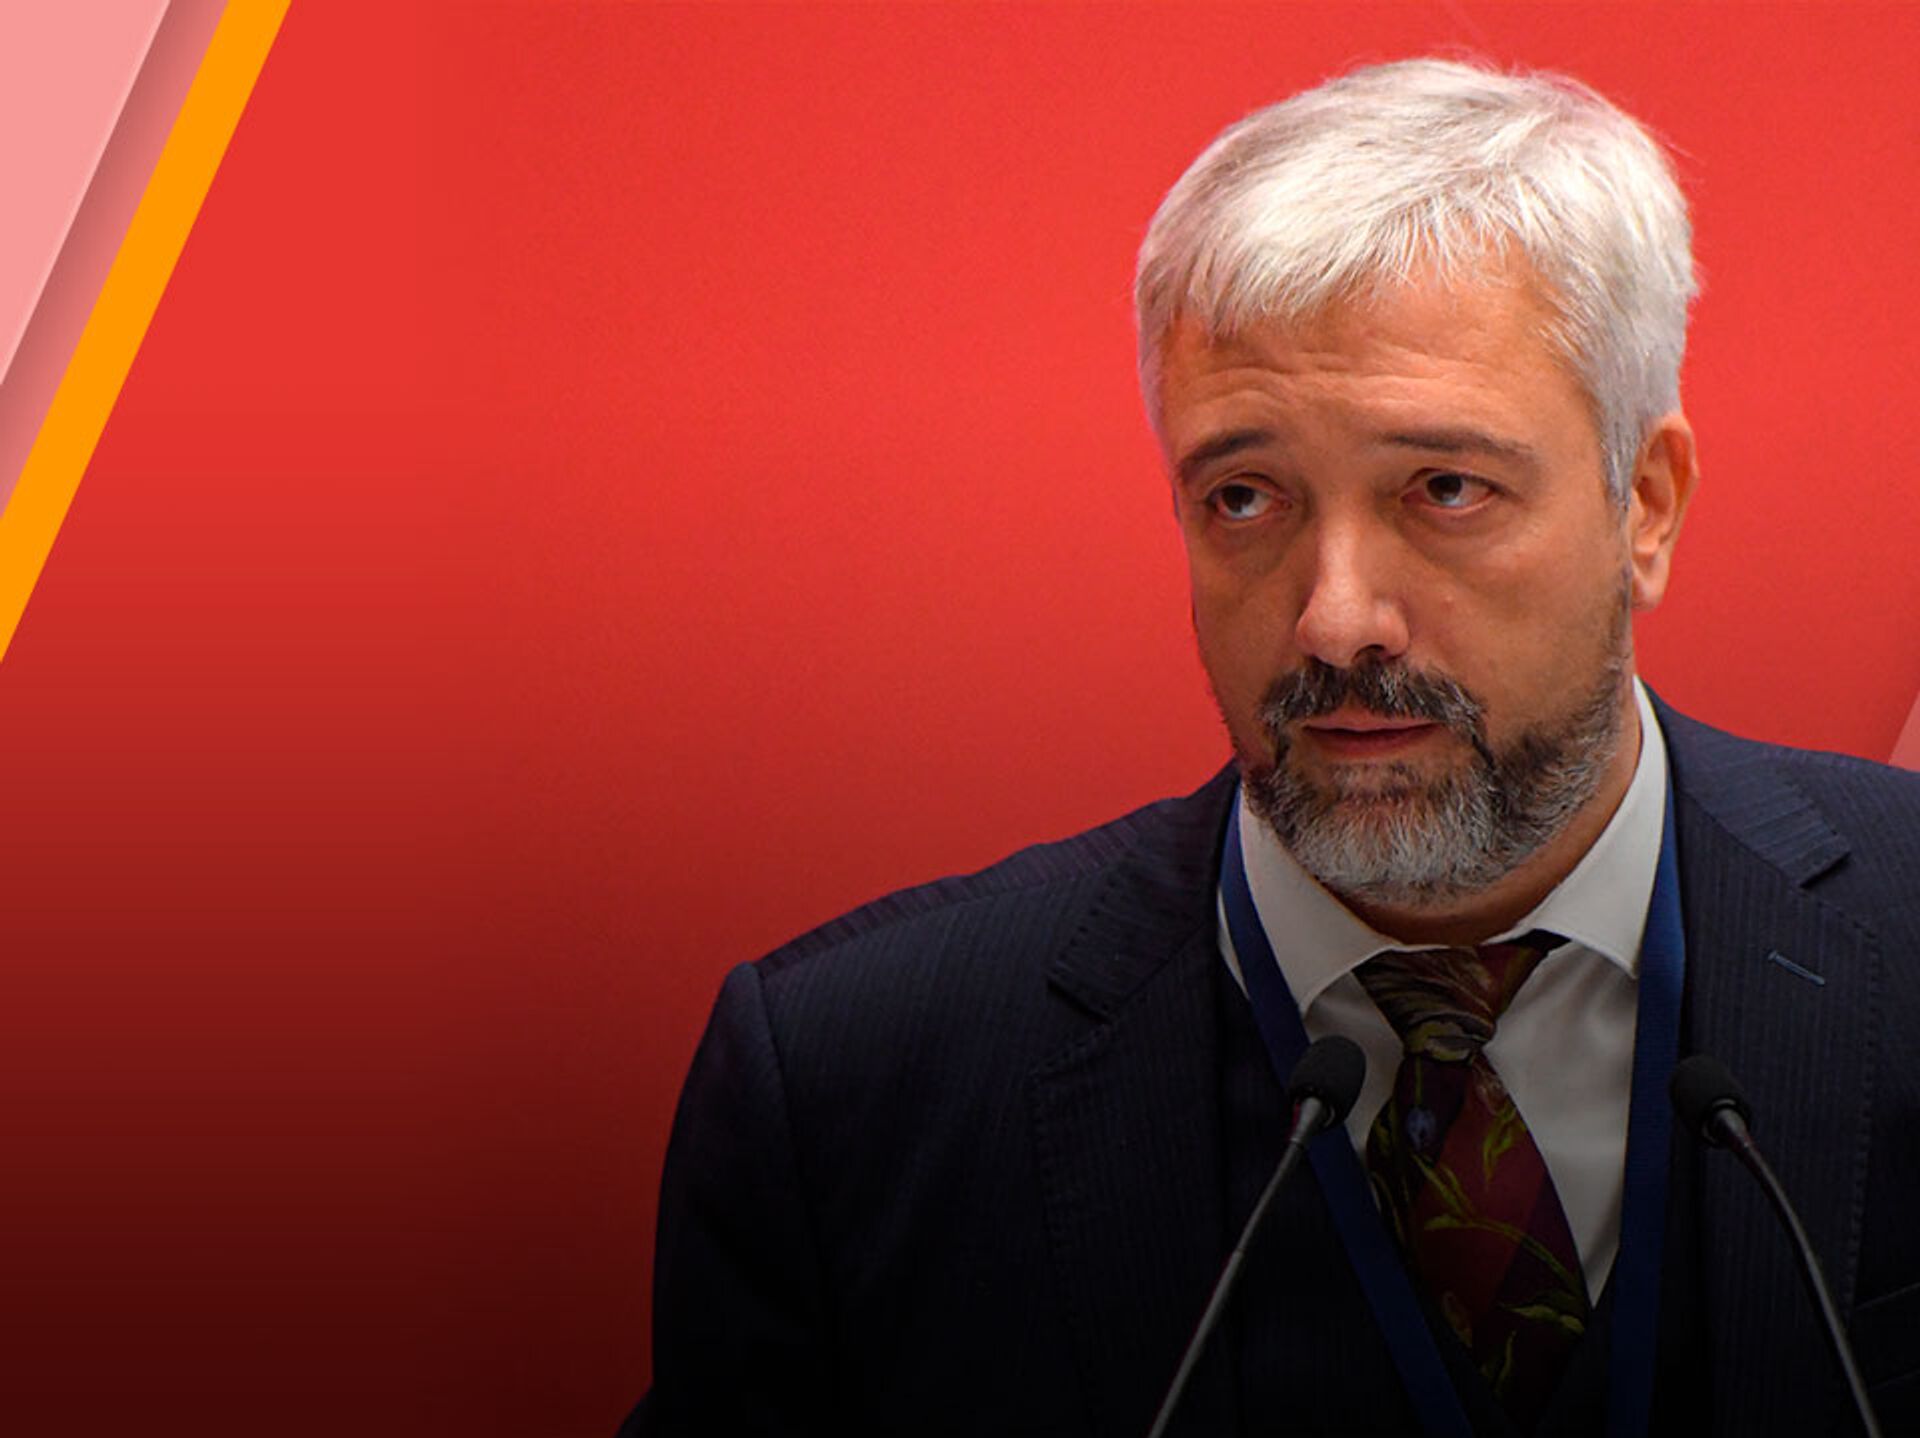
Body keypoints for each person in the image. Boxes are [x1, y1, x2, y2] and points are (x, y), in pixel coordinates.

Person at [627, 58, 1920, 1437]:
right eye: (1245, 498)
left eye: (1445, 488)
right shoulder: (853, 1092)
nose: (1335, 619)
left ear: (1645, 504)